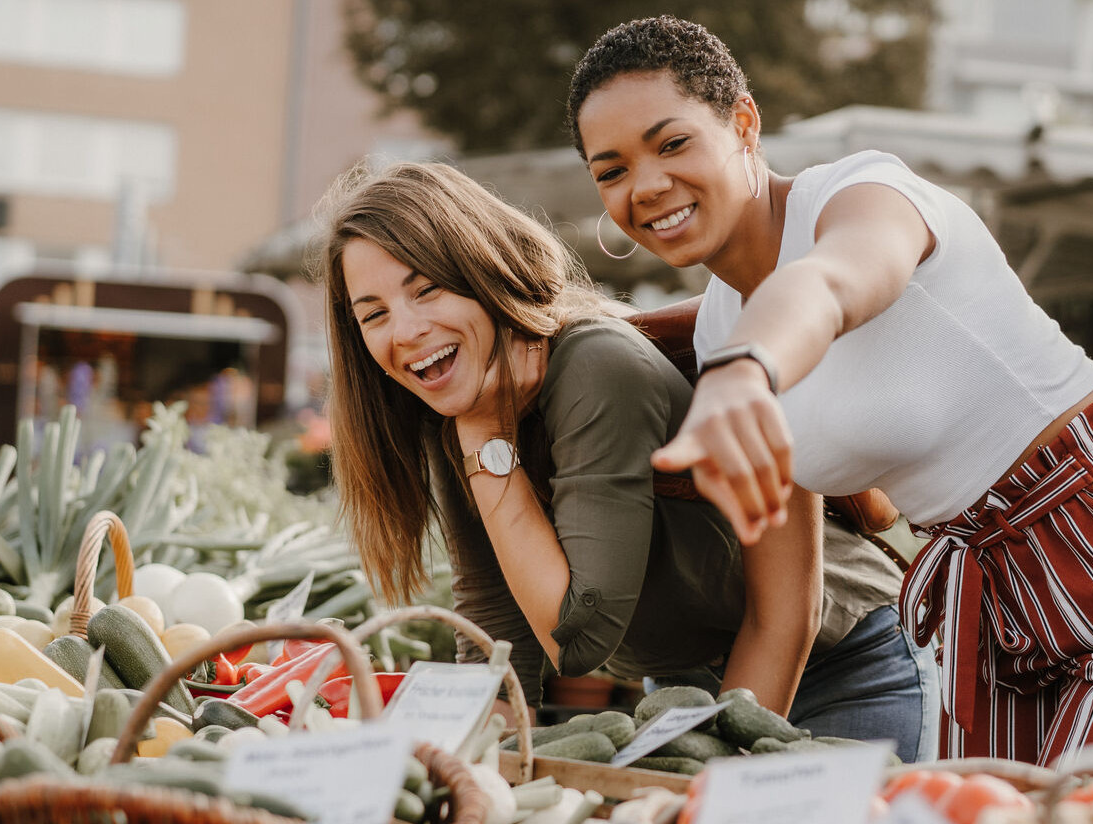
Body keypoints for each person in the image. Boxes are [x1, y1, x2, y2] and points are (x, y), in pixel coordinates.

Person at [567, 16, 1093, 794]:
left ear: (743, 121)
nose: (646, 187)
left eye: (671, 144)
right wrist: (712, 794)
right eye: (613, 170)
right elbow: (783, 608)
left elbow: (828, 284)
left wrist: (742, 372)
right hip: (991, 598)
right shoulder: (721, 323)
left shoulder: (863, 195)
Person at [317, 161, 938, 759]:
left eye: (426, 289)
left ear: (483, 270)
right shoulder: (454, 398)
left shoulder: (593, 368)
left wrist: (485, 439)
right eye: (373, 315)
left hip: (841, 668)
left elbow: (578, 639)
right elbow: (493, 620)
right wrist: (468, 767)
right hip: (681, 691)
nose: (405, 331)